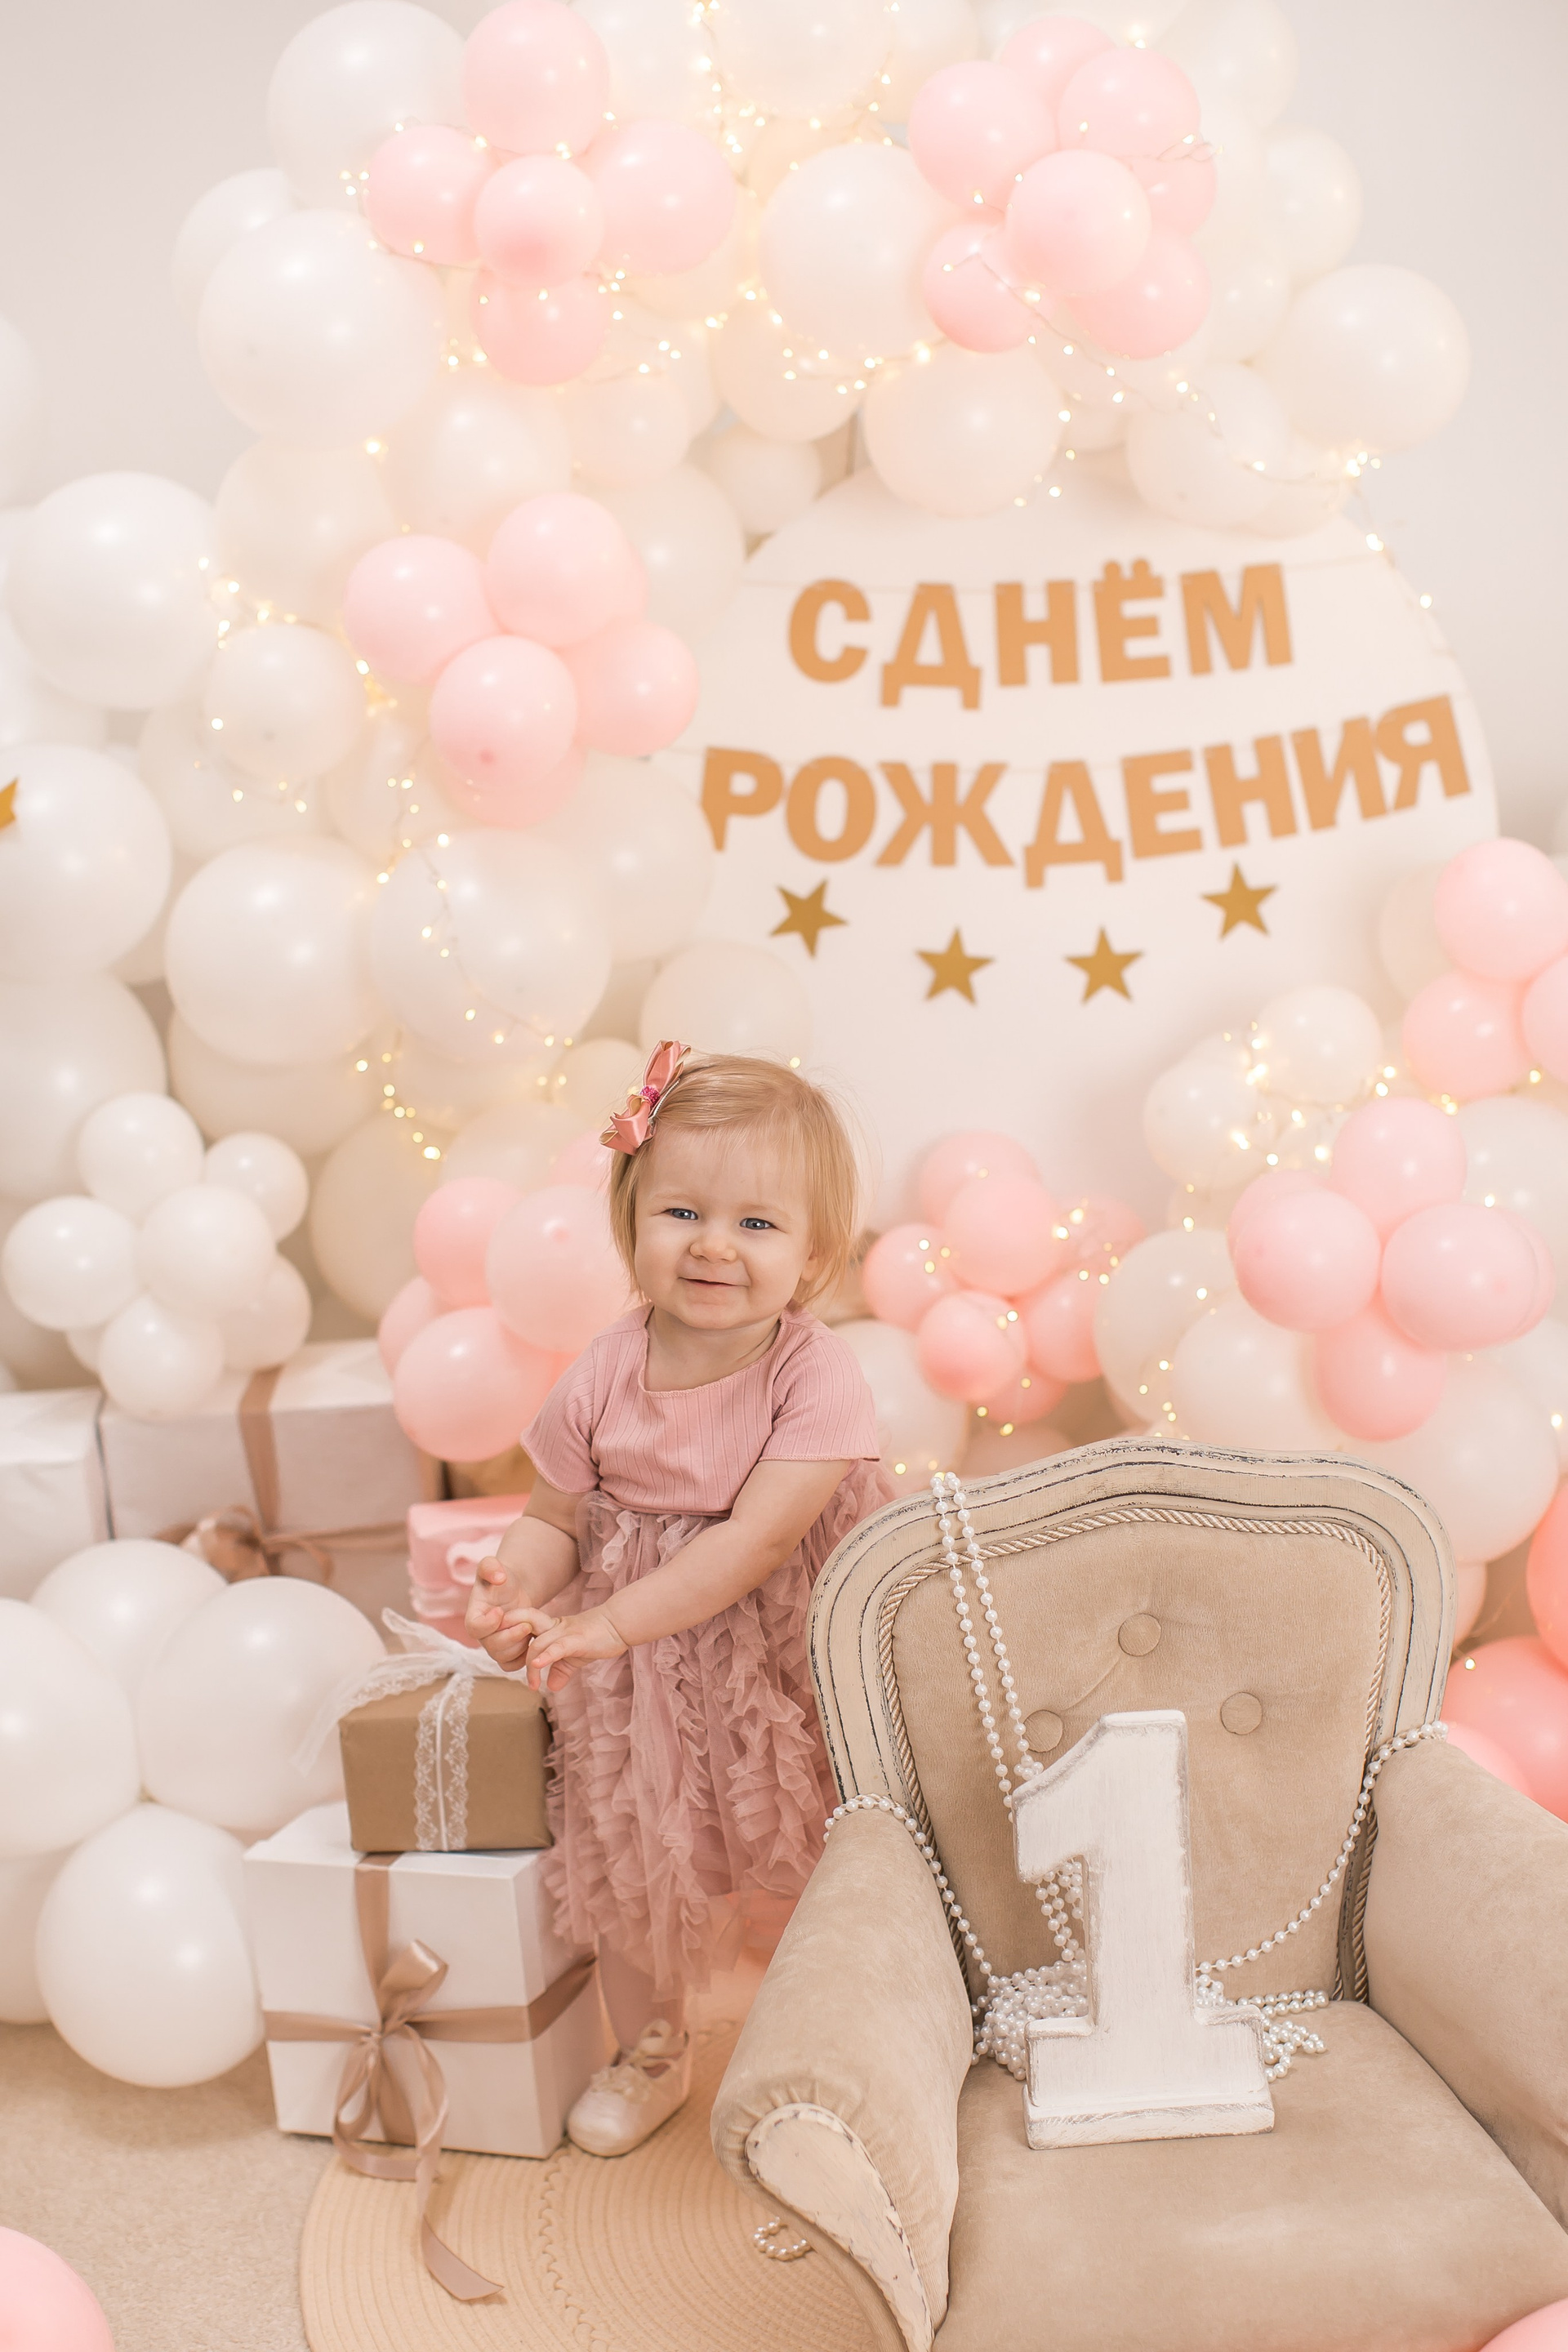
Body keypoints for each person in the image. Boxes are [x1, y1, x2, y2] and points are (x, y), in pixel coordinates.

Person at [466, 1043, 889, 2156]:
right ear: (630, 1220)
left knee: (818, 1839)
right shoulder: (604, 1370)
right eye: (683, 1212)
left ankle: (846, 2036)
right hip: (641, 1670)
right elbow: (553, 1517)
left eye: (758, 1223)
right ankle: (653, 2044)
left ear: (813, 1253)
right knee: (637, 1856)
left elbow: (757, 1541)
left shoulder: (813, 1375)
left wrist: (607, 1620)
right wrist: (515, 1586)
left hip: (786, 1650)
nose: (713, 1244)